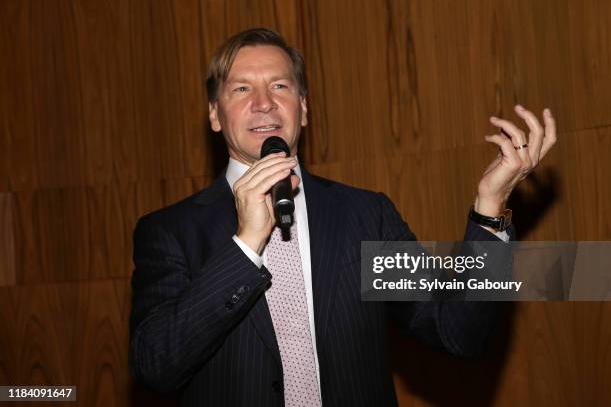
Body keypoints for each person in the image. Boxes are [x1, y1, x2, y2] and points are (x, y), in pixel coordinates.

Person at [128, 28, 557, 407]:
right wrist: (244, 246)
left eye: (279, 85)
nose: (263, 103)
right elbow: (156, 366)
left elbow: (457, 331)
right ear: (214, 115)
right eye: (241, 89)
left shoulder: (364, 215)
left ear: (304, 108)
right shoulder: (169, 232)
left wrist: (490, 209)